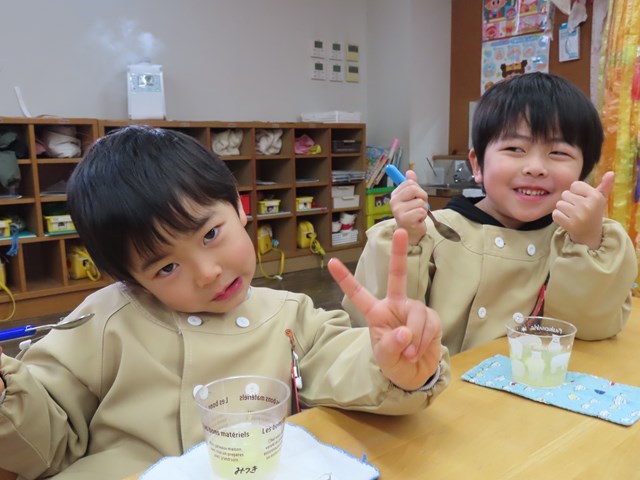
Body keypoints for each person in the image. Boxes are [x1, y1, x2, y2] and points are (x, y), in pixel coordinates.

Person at [0, 126, 449, 479]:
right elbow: (46, 441)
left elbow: (343, 364)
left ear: (239, 206)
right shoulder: (103, 321)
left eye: (211, 234)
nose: (207, 272)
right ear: (132, 281)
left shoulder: (290, 314)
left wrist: (394, 365)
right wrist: (6, 395)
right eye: (166, 268)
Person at [345, 72, 637, 355]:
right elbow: (379, 327)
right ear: (477, 164)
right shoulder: (433, 232)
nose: (535, 168)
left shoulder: (578, 241)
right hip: (437, 384)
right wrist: (406, 239)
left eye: (559, 153)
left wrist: (587, 241)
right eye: (515, 148)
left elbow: (590, 329)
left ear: (583, 172)